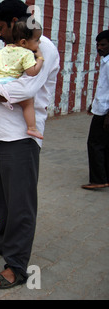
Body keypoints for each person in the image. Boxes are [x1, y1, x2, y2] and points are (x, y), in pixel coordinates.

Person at [0, 0, 60, 289]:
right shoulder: (11, 49)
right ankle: (3, 241)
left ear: (12, 21)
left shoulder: (40, 46)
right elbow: (3, 82)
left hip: (22, 138)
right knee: (2, 198)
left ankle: (17, 267)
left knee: (21, 205)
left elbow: (25, 89)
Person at [0, 17, 44, 141]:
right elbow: (31, 72)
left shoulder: (3, 50)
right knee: (28, 103)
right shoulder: (27, 53)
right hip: (10, 83)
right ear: (24, 42)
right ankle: (32, 127)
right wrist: (40, 60)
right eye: (37, 40)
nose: (39, 43)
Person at [81, 30, 109, 190]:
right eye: (98, 45)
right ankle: (105, 176)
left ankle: (98, 179)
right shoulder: (105, 61)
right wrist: (93, 103)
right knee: (104, 145)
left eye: (103, 45)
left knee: (95, 144)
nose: (99, 48)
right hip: (102, 108)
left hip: (104, 113)